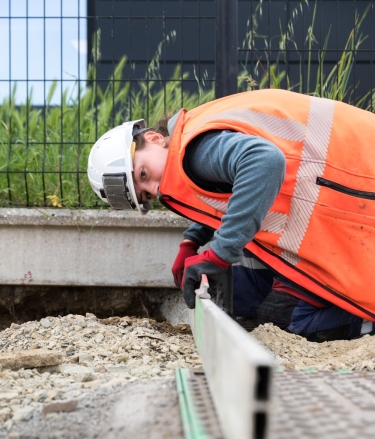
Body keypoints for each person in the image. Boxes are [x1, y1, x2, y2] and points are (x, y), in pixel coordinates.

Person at [88, 89, 375, 342]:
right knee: (244, 295)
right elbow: (225, 193)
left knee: (287, 321)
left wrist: (218, 254)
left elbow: (265, 161)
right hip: (342, 196)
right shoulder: (191, 135)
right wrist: (192, 241)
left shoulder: (194, 151)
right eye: (147, 194)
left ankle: (366, 324)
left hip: (356, 194)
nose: (156, 188)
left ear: (153, 138)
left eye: (143, 175)